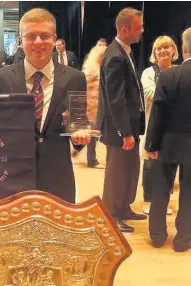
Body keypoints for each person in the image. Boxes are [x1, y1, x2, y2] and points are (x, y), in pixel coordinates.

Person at [0, 8, 95, 203]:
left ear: (54, 38)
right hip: (12, 177)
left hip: (57, 178)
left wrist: (81, 134)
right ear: (20, 40)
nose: (37, 42)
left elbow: (77, 127)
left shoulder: (75, 78)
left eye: (44, 36)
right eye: (31, 36)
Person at [96, 7, 146, 233]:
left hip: (129, 126)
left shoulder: (124, 50)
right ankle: (110, 214)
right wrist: (125, 131)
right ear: (124, 29)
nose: (142, 31)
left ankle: (123, 208)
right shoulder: (115, 55)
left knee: (130, 169)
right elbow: (115, 99)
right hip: (120, 128)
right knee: (116, 174)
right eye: (138, 27)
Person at [145, 27, 191, 252]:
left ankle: (157, 235)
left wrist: (151, 144)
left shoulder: (169, 76)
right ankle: (183, 240)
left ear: (182, 49)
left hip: (168, 142)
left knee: (161, 188)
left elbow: (158, 114)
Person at [141, 36, 178, 215]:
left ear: (173, 50)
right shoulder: (148, 72)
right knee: (150, 163)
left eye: (166, 47)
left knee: (170, 164)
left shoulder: (180, 70)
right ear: (154, 53)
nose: (162, 51)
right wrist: (177, 94)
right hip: (152, 124)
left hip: (174, 128)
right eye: (158, 48)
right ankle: (148, 199)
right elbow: (150, 94)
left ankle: (164, 201)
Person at [82, 44, 107, 168]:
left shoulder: (97, 67)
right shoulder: (91, 68)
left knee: (93, 133)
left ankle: (79, 151)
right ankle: (91, 160)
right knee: (93, 133)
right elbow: (86, 87)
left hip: (97, 104)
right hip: (91, 105)